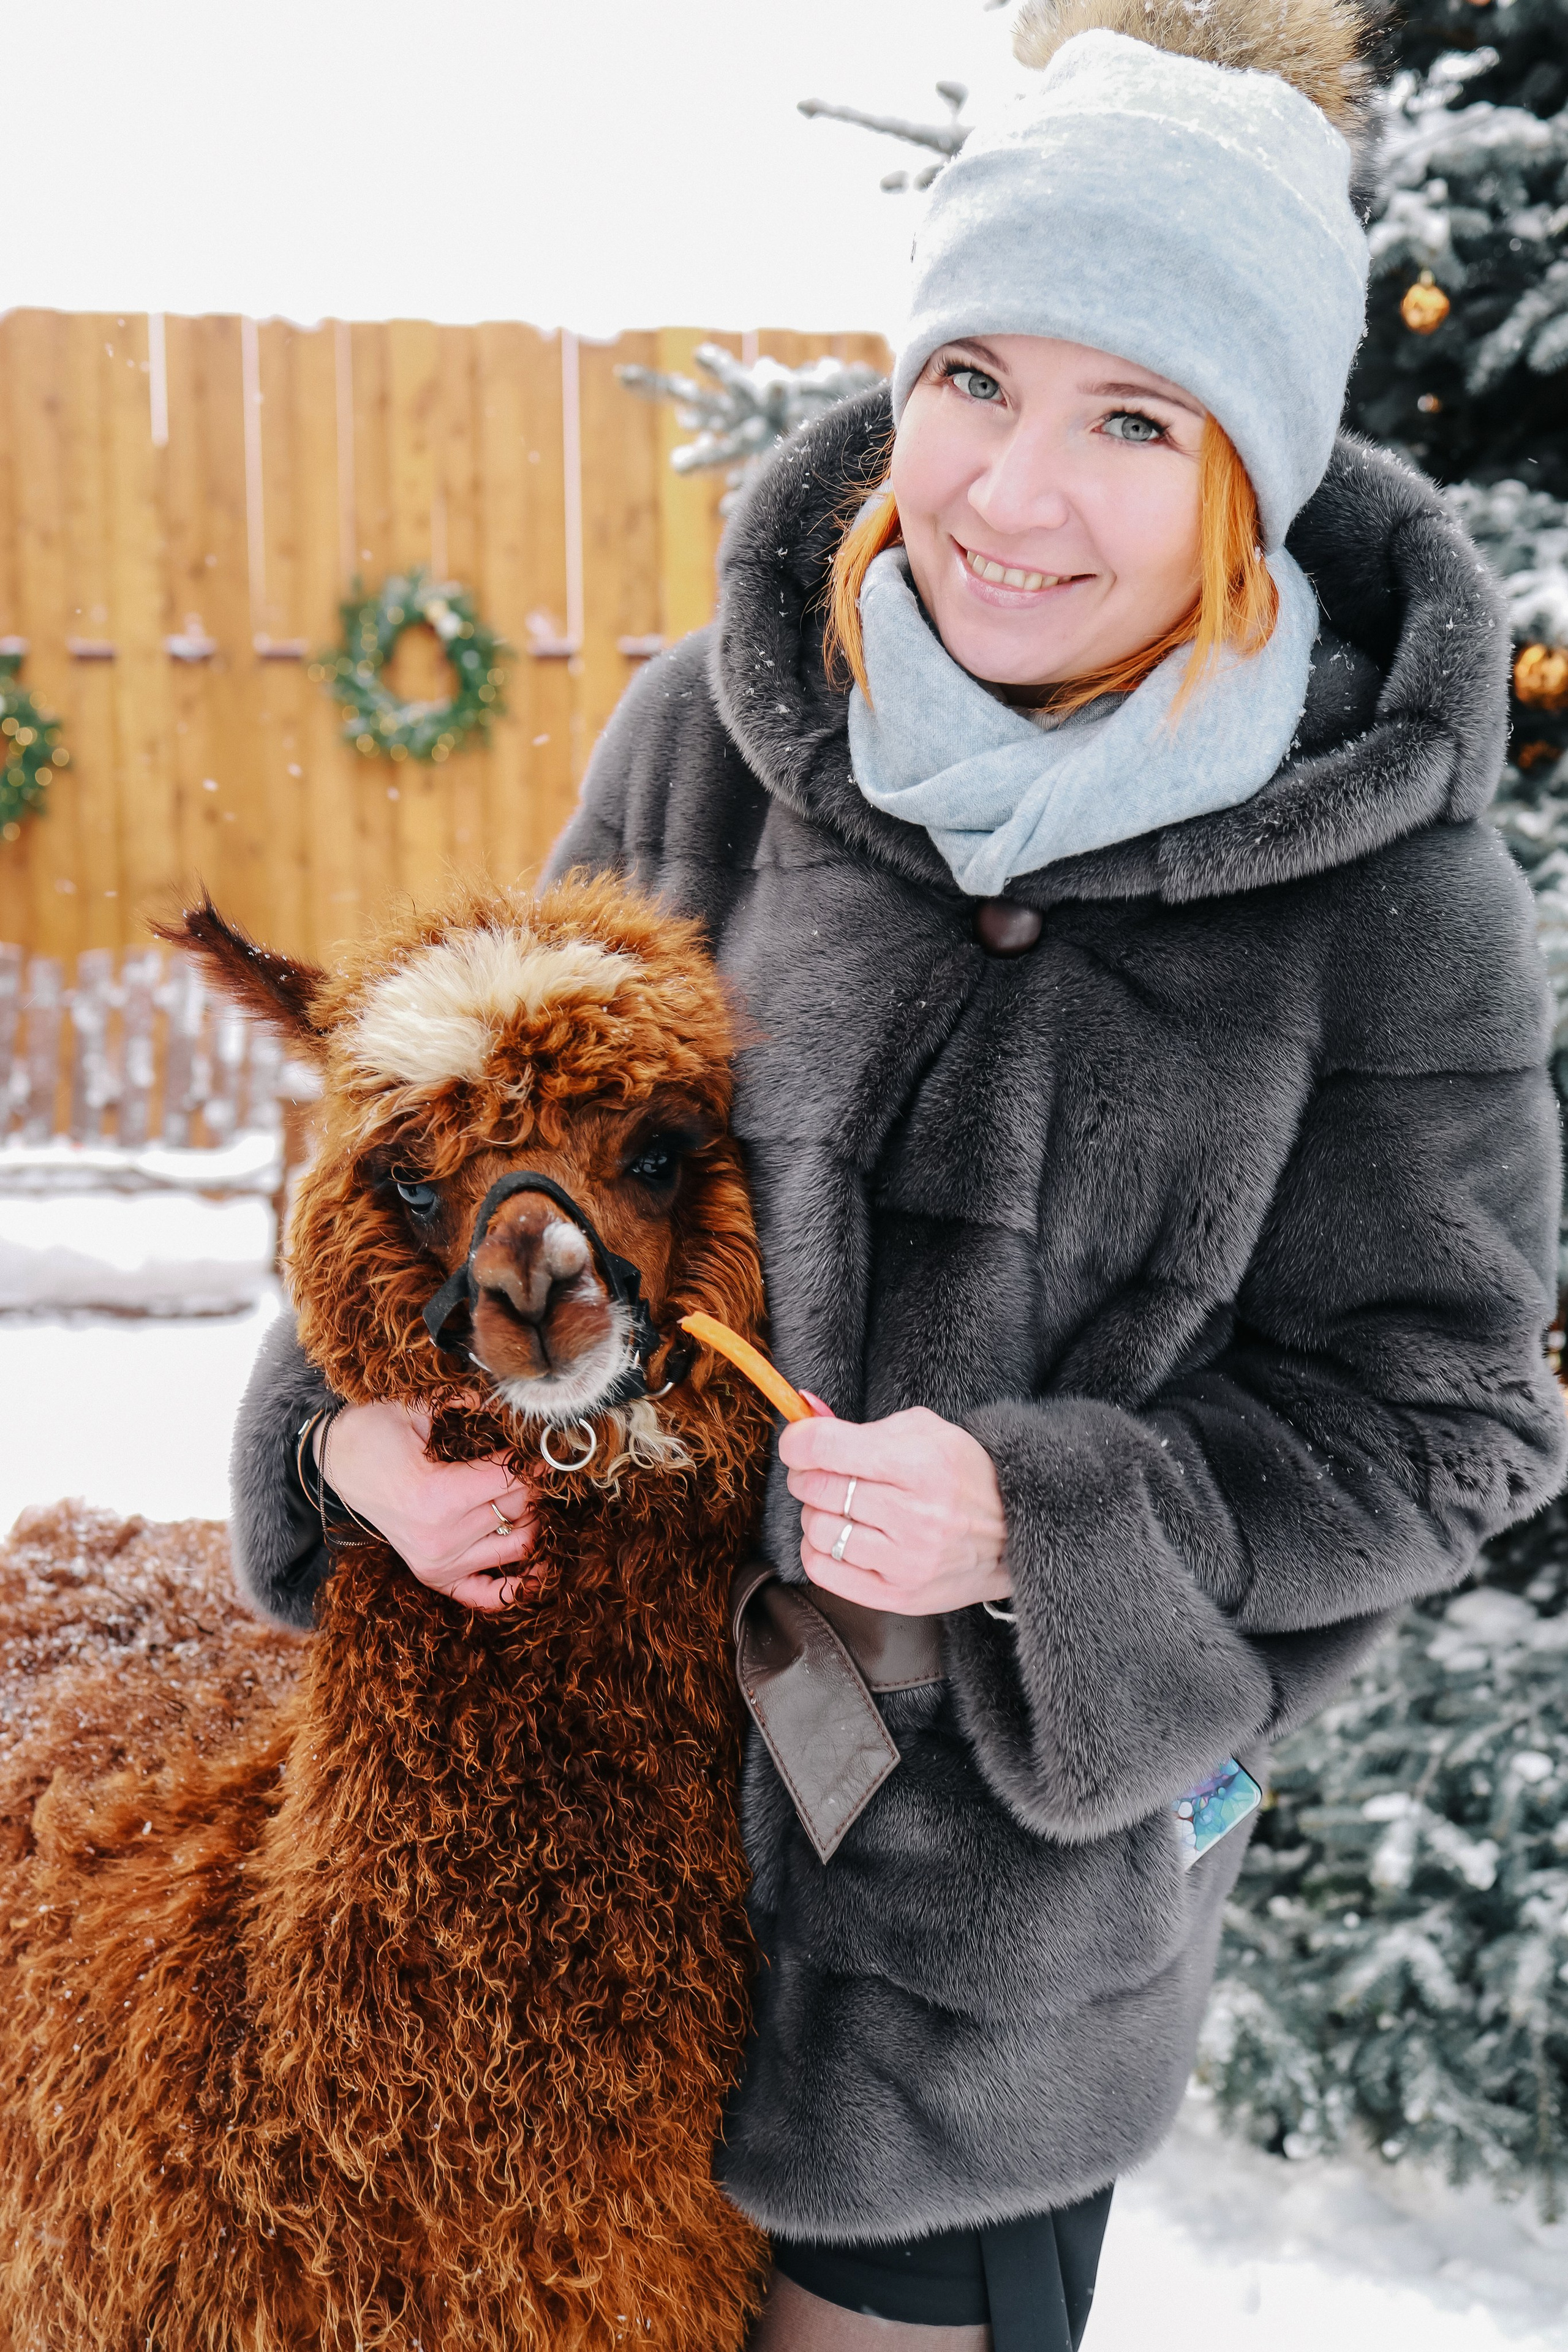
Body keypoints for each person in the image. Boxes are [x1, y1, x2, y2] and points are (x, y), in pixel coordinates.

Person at [230, 0, 1568, 2343]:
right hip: (571, 1921)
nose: (1009, 495)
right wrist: (336, 1443)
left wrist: (1035, 1529)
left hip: (955, 2009)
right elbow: (450, 1151)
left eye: (1132, 418)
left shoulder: (1388, 902)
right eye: (977, 381)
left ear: (1251, 465)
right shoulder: (720, 735)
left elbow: (1447, 1423)